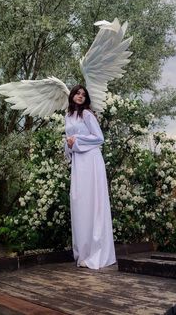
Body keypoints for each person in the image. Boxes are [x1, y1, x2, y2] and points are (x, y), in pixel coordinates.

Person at [65, 84, 116, 269]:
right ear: (71, 96)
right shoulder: (68, 117)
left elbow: (99, 137)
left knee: (93, 202)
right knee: (80, 202)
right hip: (79, 163)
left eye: (83, 95)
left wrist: (76, 140)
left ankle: (97, 252)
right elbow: (68, 143)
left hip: (92, 160)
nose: (80, 96)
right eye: (77, 93)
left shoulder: (87, 115)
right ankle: (83, 252)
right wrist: (69, 144)